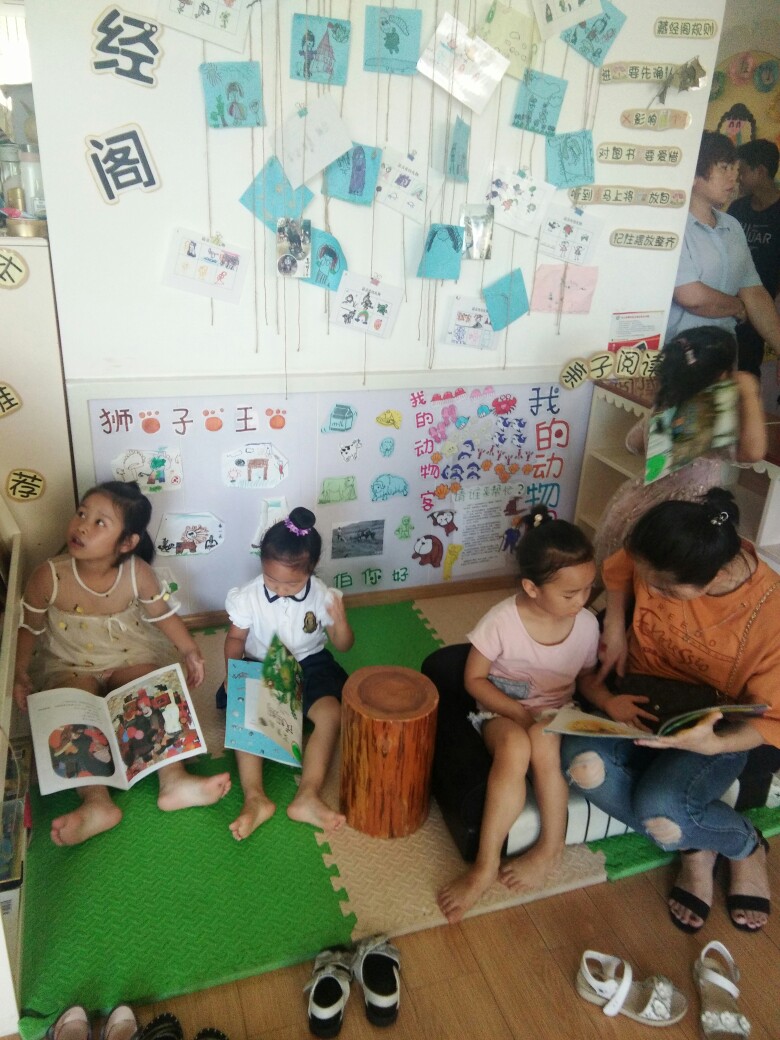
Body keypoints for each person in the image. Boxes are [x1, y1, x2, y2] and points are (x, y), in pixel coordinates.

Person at [563, 488, 779, 934]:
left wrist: (712, 744)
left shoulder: (771, 616)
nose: (653, 592)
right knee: (581, 766)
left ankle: (741, 845)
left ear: (714, 576)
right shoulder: (666, 551)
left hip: (710, 727)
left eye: (664, 588)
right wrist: (615, 624)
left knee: (661, 810)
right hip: (639, 700)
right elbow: (623, 566)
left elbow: (771, 721)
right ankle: (696, 841)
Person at [13, 481, 231, 846]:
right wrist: (20, 671)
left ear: (127, 542)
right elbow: (29, 627)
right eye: (82, 513)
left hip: (127, 654)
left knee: (152, 692)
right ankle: (96, 802)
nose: (82, 526)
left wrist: (191, 649)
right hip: (69, 662)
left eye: (100, 522)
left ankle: (174, 781)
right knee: (71, 715)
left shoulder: (137, 571)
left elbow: (163, 615)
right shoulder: (48, 575)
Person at [436, 505, 601, 924]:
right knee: (513, 747)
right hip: (502, 710)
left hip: (555, 713)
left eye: (588, 589)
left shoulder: (586, 624)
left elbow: (585, 678)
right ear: (531, 587)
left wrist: (608, 703)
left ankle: (551, 847)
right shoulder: (502, 621)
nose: (582, 601)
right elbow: (474, 680)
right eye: (570, 594)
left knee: (543, 743)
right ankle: (485, 865)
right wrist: (517, 712)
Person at [217, 506, 354, 840]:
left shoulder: (322, 595)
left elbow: (344, 645)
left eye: (291, 583)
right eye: (271, 579)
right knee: (246, 717)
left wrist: (340, 622)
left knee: (332, 714)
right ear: (262, 566)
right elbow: (235, 639)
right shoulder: (249, 596)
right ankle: (255, 798)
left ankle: (308, 794)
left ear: (311, 570)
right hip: (261, 663)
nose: (279, 589)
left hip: (310, 663)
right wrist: (233, 673)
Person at [593, 325, 767, 568]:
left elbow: (632, 443)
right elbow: (753, 452)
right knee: (654, 577)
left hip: (633, 507)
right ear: (722, 375)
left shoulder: (665, 404)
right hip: (679, 521)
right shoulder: (711, 417)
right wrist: (749, 393)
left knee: (617, 573)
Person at [667, 132, 780, 367]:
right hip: (680, 362)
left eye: (735, 168)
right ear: (695, 174)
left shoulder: (732, 226)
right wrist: (737, 306)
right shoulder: (673, 225)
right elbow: (692, 297)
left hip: (723, 358)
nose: (734, 176)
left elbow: (754, 292)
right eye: (724, 168)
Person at [727, 139, 780, 378]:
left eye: (743, 170)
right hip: (728, 302)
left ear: (760, 171)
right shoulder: (737, 209)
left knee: (748, 369)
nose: (737, 177)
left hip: (762, 305)